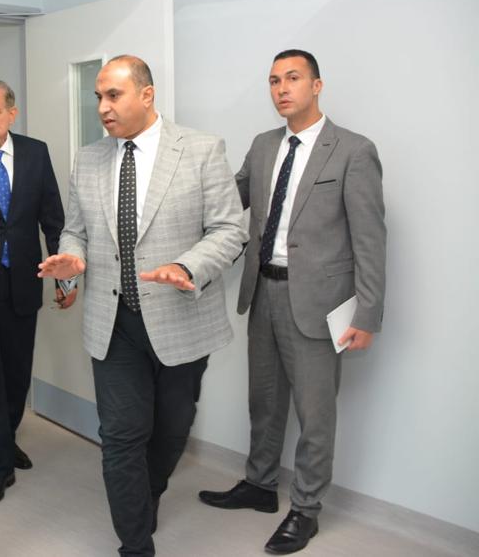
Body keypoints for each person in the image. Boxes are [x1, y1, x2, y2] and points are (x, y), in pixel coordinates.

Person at [38, 56, 246, 556]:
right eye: (98, 97)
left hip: (180, 317)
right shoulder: (89, 159)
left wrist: (188, 266)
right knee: (121, 435)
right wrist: (72, 258)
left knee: (171, 430)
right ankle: (135, 543)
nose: (102, 107)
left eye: (114, 95)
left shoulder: (200, 149)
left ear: (147, 95)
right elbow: (75, 229)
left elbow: (229, 229)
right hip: (114, 323)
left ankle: (147, 494)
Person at [198, 49, 386, 555]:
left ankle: (305, 509)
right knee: (264, 401)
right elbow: (228, 200)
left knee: (315, 412)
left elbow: (370, 239)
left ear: (317, 85)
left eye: (293, 78)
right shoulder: (263, 146)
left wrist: (368, 313)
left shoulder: (353, 150)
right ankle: (260, 485)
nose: (282, 88)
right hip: (262, 290)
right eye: (274, 80)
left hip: (320, 304)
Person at [0, 79, 70, 506]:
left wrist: (65, 278)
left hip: (24, 281)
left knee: (16, 372)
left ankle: (4, 440)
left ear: (12, 113)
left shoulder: (35, 152)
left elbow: (53, 220)